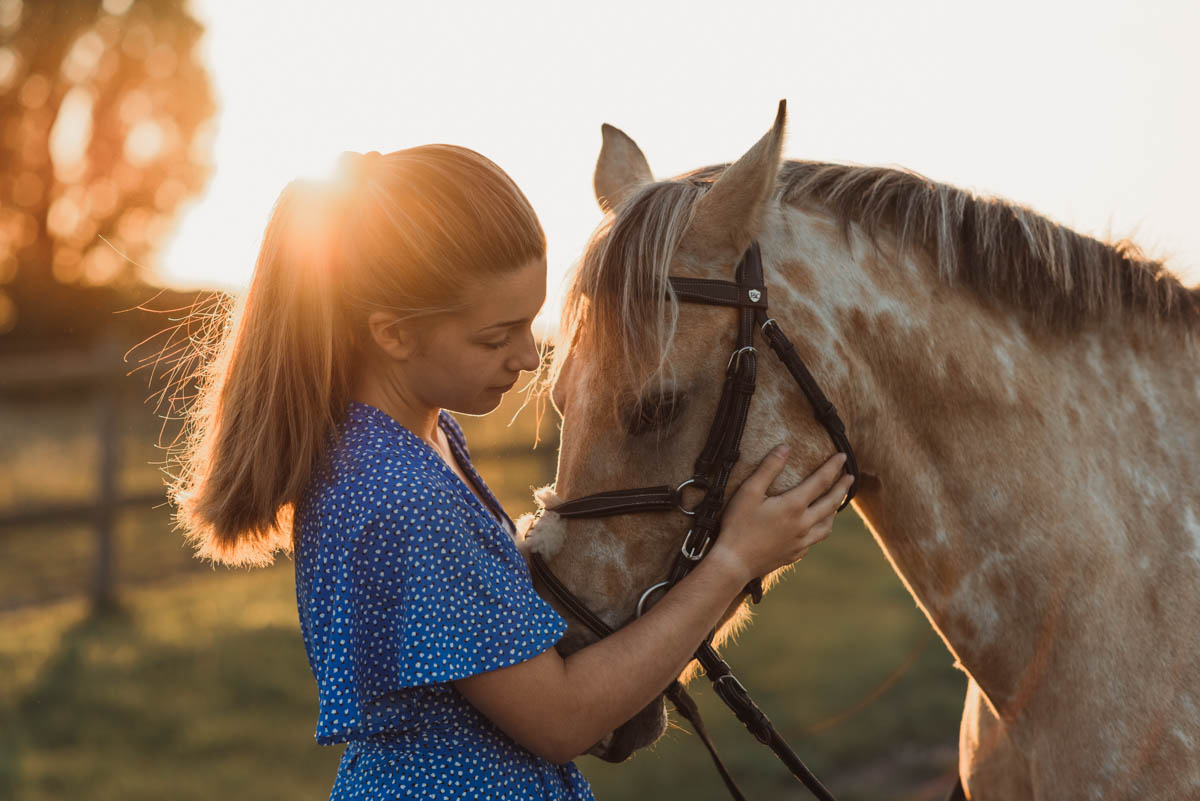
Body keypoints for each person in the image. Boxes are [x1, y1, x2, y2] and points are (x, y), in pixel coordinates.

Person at [170, 145, 854, 800]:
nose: (529, 359)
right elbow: (561, 718)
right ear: (393, 333)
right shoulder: (406, 495)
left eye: (531, 323)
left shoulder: (418, 439)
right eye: (495, 336)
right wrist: (733, 561)